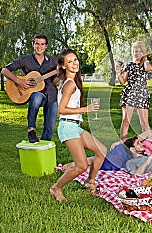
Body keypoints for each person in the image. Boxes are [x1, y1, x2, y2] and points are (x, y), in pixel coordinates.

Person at [49, 49, 107, 201]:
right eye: (69, 61)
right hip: (68, 127)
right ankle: (56, 188)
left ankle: (90, 181)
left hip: (75, 126)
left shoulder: (70, 82)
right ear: (63, 66)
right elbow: (61, 109)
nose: (74, 63)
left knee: (102, 150)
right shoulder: (69, 84)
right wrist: (86, 109)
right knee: (81, 166)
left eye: (75, 59)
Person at [1, 34, 58, 143]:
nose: (39, 47)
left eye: (42, 44)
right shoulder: (25, 59)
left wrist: (60, 76)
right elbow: (4, 70)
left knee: (50, 129)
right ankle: (31, 129)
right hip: (36, 93)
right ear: (33, 44)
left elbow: (54, 81)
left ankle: (41, 149)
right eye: (37, 43)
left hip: (51, 94)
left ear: (46, 46)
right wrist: (19, 81)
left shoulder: (52, 61)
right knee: (36, 96)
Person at [116, 41, 152, 140]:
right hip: (130, 94)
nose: (137, 54)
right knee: (126, 121)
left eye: (140, 51)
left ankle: (147, 145)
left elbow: (148, 68)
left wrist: (144, 59)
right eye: (136, 51)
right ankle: (123, 145)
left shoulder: (144, 64)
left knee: (145, 123)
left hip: (142, 94)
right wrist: (118, 71)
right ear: (132, 52)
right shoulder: (129, 65)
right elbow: (122, 81)